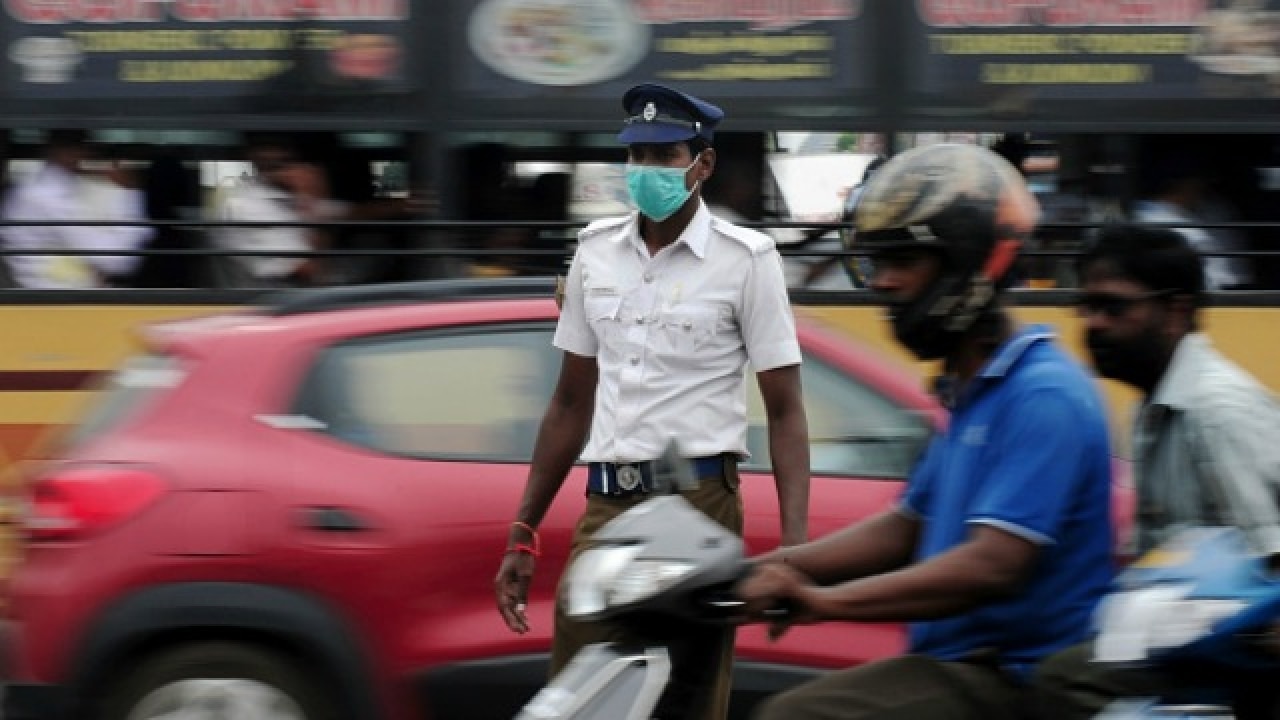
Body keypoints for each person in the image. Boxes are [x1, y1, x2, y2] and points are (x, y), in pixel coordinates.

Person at [734, 143, 1116, 720]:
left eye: (903, 262)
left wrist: (821, 601)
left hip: (1015, 676)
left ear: (970, 265)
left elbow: (992, 564)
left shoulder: (1043, 395)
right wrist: (766, 569)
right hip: (959, 662)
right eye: (878, 264)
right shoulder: (974, 389)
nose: (883, 283)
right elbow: (906, 527)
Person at [493, 83, 811, 720]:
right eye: (637, 158)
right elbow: (568, 403)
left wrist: (795, 552)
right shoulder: (595, 252)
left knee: (684, 702)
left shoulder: (748, 261)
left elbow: (785, 410)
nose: (647, 172)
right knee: (580, 704)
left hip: (699, 505)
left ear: (703, 164)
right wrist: (523, 531)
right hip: (606, 506)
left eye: (665, 157)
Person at [1031, 223, 1280, 720]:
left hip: (1228, 656)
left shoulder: (1214, 412)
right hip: (1183, 638)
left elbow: (1270, 563)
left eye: (1114, 307)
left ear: (1176, 312)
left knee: (1063, 684)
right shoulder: (1154, 406)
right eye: (1088, 307)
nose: (1094, 324)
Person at [0, 129, 152, 288]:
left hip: (61, 297)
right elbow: (118, 260)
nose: (90, 157)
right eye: (87, 150)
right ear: (67, 152)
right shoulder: (45, 197)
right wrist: (130, 192)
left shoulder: (47, 192)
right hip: (56, 300)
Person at [213, 134, 345, 287]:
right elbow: (308, 270)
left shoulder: (284, 196)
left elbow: (350, 212)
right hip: (269, 295)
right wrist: (311, 194)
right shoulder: (245, 207)